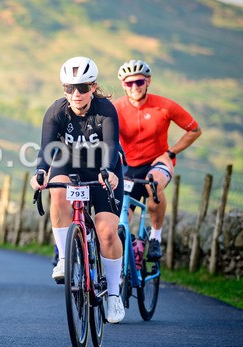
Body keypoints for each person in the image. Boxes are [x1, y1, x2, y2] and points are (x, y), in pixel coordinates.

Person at [30, 56, 126, 323]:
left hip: (103, 169)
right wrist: (40, 172)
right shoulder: (56, 111)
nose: (76, 94)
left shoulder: (105, 110)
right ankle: (63, 257)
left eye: (82, 88)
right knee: (57, 190)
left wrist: (108, 172)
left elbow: (110, 147)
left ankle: (114, 295)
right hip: (70, 165)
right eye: (69, 88)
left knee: (106, 232)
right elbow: (47, 150)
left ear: (93, 87)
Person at [114, 60, 201, 261]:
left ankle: (155, 238)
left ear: (148, 81)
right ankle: (127, 251)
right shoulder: (116, 108)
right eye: (129, 83)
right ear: (123, 85)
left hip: (158, 162)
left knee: (153, 183)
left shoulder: (164, 105)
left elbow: (194, 130)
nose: (134, 87)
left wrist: (170, 153)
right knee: (121, 214)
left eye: (139, 82)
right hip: (129, 166)